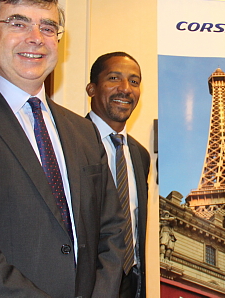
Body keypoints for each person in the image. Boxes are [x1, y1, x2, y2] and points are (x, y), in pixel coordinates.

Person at [0, 0, 124, 297]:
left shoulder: (82, 130)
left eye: (48, 28)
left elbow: (112, 231)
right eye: (18, 22)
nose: (35, 38)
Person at [86, 51, 150, 298]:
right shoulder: (69, 143)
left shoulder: (140, 155)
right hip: (88, 282)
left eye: (134, 81)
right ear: (92, 88)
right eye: (114, 78)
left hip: (132, 282)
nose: (125, 89)